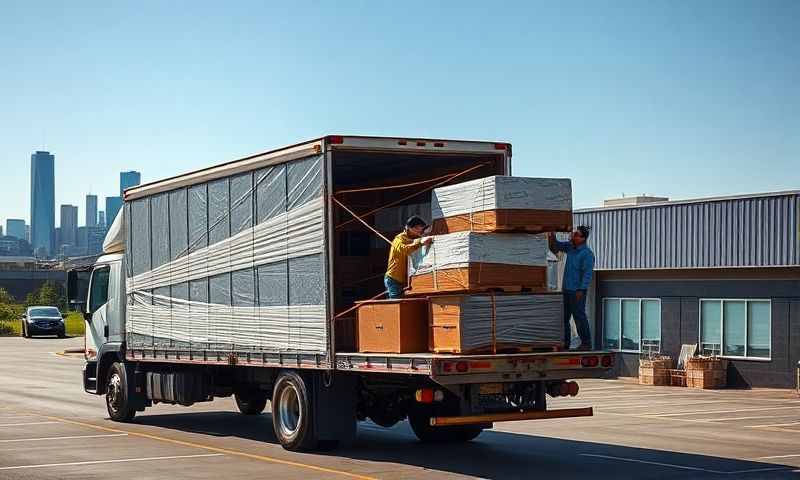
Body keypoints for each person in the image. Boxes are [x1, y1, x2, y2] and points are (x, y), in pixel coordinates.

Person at [548, 225, 595, 351]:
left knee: (579, 317)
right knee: (564, 318)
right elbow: (556, 246)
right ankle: (565, 343)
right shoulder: (570, 248)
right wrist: (552, 234)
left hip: (577, 292)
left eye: (576, 235)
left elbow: (587, 274)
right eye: (573, 234)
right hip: (566, 290)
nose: (573, 236)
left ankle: (586, 343)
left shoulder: (587, 254)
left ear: (583, 238)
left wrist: (581, 289)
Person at [384, 216, 433, 299]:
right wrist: (420, 243)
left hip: (404, 280)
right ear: (410, 228)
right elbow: (404, 250)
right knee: (396, 305)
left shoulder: (413, 239)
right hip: (393, 279)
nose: (420, 231)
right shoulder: (399, 239)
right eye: (418, 228)